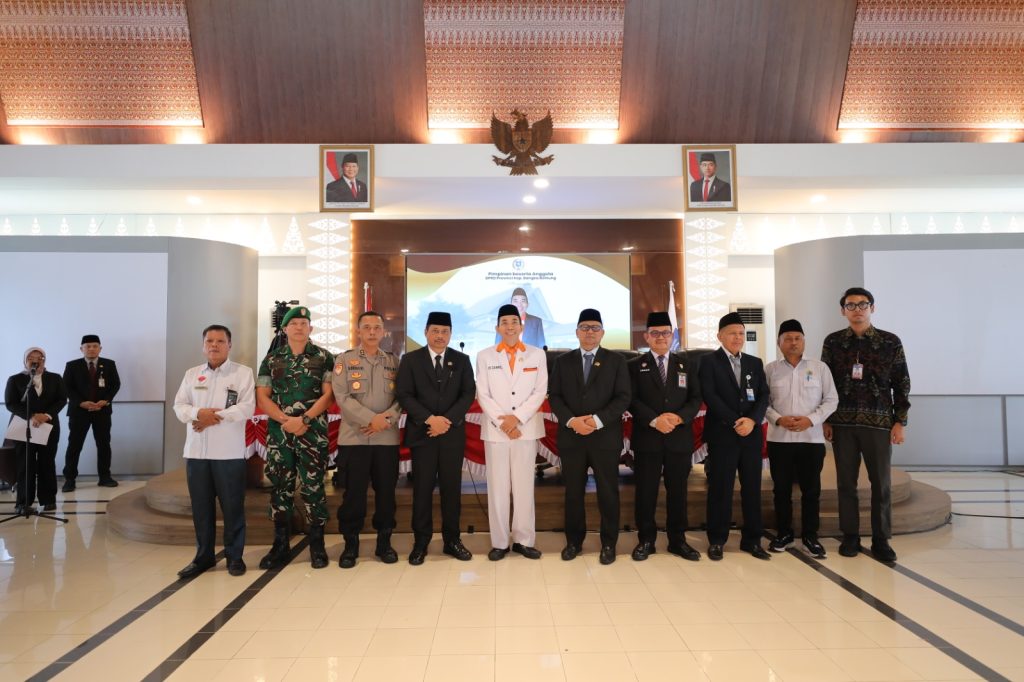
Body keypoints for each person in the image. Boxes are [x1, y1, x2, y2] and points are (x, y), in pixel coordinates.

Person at [822, 287, 910, 563]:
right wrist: (826, 419)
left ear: (872, 307)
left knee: (881, 484)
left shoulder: (890, 342)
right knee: (846, 484)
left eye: (863, 304)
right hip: (843, 424)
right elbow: (825, 385)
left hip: (879, 423)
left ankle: (881, 539)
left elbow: (902, 383)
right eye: (851, 305)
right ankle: (850, 536)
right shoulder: (833, 342)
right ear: (843, 310)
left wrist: (900, 421)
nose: (857, 309)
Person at [173, 325, 255, 579]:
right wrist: (198, 413)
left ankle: (235, 557)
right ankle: (203, 557)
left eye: (220, 341)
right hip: (197, 453)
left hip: (229, 453)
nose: (214, 345)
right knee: (201, 509)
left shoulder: (242, 373)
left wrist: (214, 418)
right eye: (210, 341)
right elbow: (179, 406)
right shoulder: (192, 374)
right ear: (203, 346)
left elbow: (247, 407)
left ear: (230, 345)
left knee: (232, 508)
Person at [549, 308, 631, 565]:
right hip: (572, 437)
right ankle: (574, 542)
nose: (590, 332)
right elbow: (555, 397)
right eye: (584, 328)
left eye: (595, 328)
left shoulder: (616, 361)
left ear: (602, 333)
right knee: (573, 493)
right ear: (577, 332)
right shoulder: (562, 361)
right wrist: (573, 421)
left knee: (608, 492)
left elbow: (623, 397)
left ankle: (609, 543)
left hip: (604, 437)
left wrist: (596, 421)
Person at [256, 306, 335, 570]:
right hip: (281, 434)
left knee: (314, 486)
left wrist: (304, 420)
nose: (299, 327)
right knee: (281, 486)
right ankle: (280, 545)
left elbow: (328, 395)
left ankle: (317, 545)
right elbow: (262, 396)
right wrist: (285, 421)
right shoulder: (272, 359)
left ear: (311, 328)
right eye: (294, 323)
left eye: (304, 323)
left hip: (312, 432)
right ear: (285, 329)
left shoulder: (324, 357)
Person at [396, 311, 476, 564]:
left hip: (451, 434)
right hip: (423, 434)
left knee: (452, 490)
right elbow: (404, 394)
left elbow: (468, 393)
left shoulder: (461, 360)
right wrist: (431, 419)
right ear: (426, 332)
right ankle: (421, 542)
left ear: (451, 334)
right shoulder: (410, 360)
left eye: (445, 331)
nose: (440, 336)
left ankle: (452, 540)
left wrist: (446, 421)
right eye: (435, 331)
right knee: (422, 490)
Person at [627, 311, 702, 562]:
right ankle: (646, 540)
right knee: (646, 492)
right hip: (648, 438)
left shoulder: (687, 365)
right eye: (656, 333)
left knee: (678, 492)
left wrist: (679, 418)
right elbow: (631, 399)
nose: (661, 337)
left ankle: (677, 541)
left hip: (678, 438)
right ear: (647, 337)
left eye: (666, 333)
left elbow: (695, 398)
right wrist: (654, 420)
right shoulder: (634, 365)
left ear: (672, 336)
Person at [476, 303, 548, 561]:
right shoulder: (484, 356)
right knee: (498, 488)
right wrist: (503, 423)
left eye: (514, 322)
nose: (509, 327)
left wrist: (517, 419)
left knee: (523, 487)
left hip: (525, 430)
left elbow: (540, 391)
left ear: (522, 326)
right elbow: (483, 394)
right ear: (497, 328)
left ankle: (524, 540)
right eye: (504, 322)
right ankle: (499, 542)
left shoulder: (537, 355)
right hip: (496, 433)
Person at [698, 312, 770, 561]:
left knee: (752, 489)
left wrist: (752, 420)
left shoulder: (754, 362)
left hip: (750, 435)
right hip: (722, 435)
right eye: (732, 333)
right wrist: (735, 421)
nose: (738, 337)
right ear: (720, 336)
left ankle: (752, 540)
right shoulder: (708, 362)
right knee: (720, 489)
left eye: (741, 333)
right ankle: (717, 540)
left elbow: (763, 395)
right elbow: (710, 395)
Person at [334, 311, 403, 568]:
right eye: (367, 327)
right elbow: (342, 396)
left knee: (386, 495)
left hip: (386, 439)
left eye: (377, 327)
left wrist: (384, 420)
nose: (372, 332)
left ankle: (384, 542)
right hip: (355, 439)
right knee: (353, 495)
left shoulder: (394, 362)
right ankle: (350, 544)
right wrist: (370, 420)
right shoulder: (344, 360)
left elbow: (402, 397)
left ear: (383, 332)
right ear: (358, 331)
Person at [765, 319, 838, 558]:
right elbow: (762, 402)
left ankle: (810, 536)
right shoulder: (770, 369)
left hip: (811, 440)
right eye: (788, 339)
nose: (793, 343)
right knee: (781, 490)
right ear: (779, 343)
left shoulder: (819, 368)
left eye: (797, 338)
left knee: (811, 490)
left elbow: (831, 400)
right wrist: (778, 419)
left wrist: (811, 420)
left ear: (804, 341)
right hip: (779, 440)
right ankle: (784, 533)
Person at [5, 347, 67, 514]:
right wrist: (32, 415)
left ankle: (48, 499)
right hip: (24, 427)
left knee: (47, 463)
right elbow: (11, 403)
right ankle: (23, 502)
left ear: (44, 360)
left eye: (40, 358)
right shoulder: (15, 379)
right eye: (31, 358)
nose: (35, 360)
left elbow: (62, 399)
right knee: (25, 464)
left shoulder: (55, 378)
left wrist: (46, 415)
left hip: (49, 426)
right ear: (25, 361)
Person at [62, 334, 121, 491]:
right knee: (74, 445)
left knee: (103, 445)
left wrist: (106, 400)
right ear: (81, 349)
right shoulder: (72, 365)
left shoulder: (109, 364)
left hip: (102, 411)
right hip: (79, 412)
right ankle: (69, 479)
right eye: (88, 346)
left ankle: (105, 477)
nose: (91, 349)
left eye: (95, 346)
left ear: (100, 348)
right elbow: (66, 387)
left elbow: (115, 384)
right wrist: (81, 403)